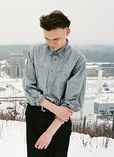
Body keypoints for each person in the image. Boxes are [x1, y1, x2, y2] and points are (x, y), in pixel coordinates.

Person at [23, 10, 86, 157]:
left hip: (60, 122)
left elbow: (71, 102)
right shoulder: (34, 52)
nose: (51, 44)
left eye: (56, 39)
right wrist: (55, 108)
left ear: (67, 32)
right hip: (35, 114)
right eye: (47, 39)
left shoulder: (77, 59)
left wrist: (49, 133)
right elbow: (29, 89)